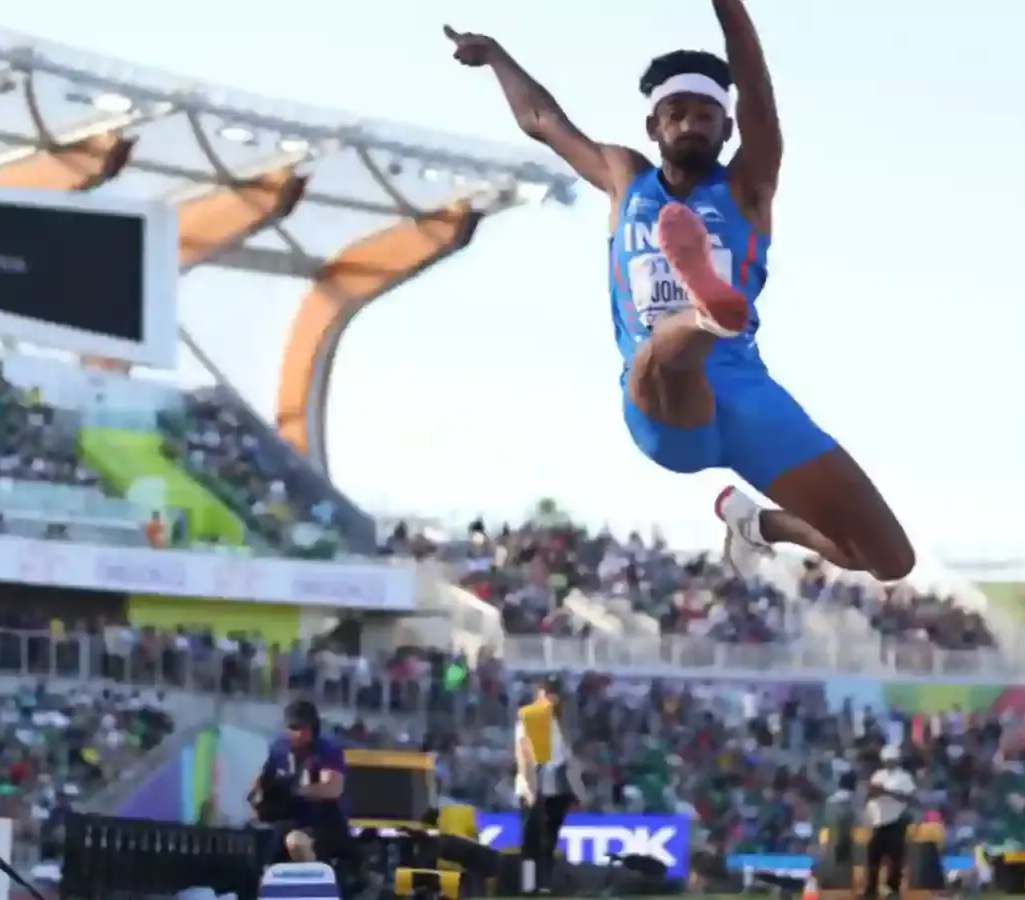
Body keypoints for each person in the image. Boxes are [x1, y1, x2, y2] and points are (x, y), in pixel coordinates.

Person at [443, 1, 914, 581]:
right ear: (654, 127)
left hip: (748, 396)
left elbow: (758, 93)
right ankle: (704, 313)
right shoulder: (624, 177)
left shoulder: (747, 185)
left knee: (887, 560)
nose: (691, 124)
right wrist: (496, 57)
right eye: (677, 113)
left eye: (706, 115)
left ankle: (757, 525)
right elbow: (542, 119)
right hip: (665, 406)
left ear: (727, 127)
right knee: (669, 350)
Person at [254, 699, 353, 865]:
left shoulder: (327, 751)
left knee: (296, 842)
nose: (298, 733)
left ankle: (316, 877)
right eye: (293, 728)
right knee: (262, 841)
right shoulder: (279, 749)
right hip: (288, 821)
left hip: (323, 823)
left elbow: (332, 788)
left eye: (302, 728)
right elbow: (262, 781)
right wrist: (259, 797)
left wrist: (294, 790)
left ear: (313, 728)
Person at [514, 681, 588, 894]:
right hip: (534, 786)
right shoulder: (529, 719)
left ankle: (544, 883)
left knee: (549, 839)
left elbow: (568, 759)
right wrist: (529, 789)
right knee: (531, 841)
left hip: (557, 789)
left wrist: (578, 792)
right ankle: (528, 885)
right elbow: (523, 755)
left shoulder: (560, 724)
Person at [865, 746, 914, 900]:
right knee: (873, 857)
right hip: (878, 821)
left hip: (895, 821)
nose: (889, 763)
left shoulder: (904, 777)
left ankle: (893, 890)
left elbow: (908, 797)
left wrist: (886, 792)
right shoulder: (877, 775)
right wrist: (874, 793)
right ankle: (871, 890)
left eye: (892, 760)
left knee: (895, 859)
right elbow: (869, 794)